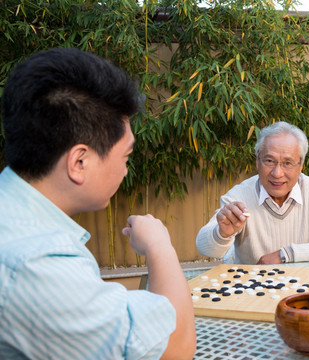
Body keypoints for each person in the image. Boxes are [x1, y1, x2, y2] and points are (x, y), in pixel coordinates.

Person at [0, 48, 196, 359]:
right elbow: (175, 349)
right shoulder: (37, 263)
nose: (125, 169)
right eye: (126, 156)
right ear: (79, 161)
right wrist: (160, 246)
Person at [196, 121, 309, 264]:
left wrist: (286, 254)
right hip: (254, 291)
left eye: (287, 163)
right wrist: (221, 234)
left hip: (306, 291)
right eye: (269, 161)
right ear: (257, 161)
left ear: (300, 166)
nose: (277, 173)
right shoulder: (238, 196)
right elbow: (206, 248)